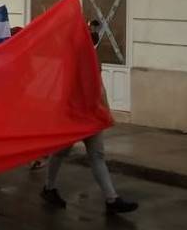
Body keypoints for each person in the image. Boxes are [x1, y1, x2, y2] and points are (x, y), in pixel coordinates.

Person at [41, 26, 139, 215]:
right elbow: (92, 88)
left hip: (89, 115)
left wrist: (105, 111)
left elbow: (98, 87)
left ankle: (111, 199)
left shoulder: (87, 59)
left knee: (95, 156)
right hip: (76, 117)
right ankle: (49, 188)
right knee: (63, 153)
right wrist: (106, 111)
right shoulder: (74, 60)